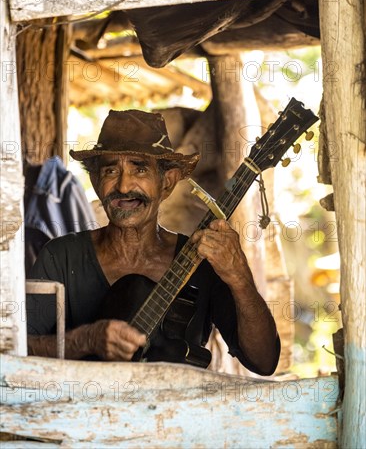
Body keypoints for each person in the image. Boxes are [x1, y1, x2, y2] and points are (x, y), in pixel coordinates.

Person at [27, 110, 280, 375]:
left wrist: (240, 277)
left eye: (140, 168)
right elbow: (14, 349)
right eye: (111, 170)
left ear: (167, 183)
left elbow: (264, 361)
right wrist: (85, 340)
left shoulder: (201, 262)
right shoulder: (60, 256)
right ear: (95, 181)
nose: (124, 186)